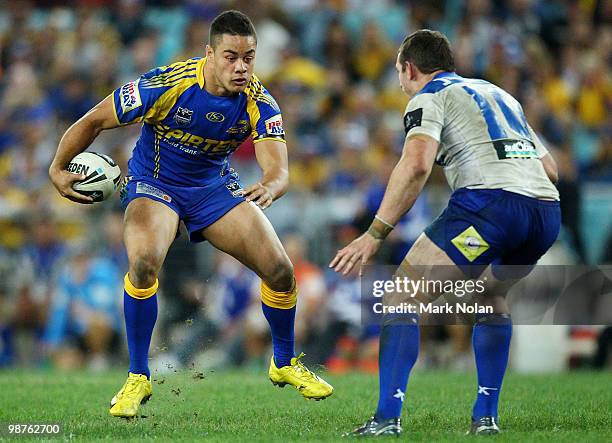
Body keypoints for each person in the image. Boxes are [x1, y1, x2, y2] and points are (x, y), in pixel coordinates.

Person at [49, 10, 332, 419]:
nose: (241, 66)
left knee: (281, 271)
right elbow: (94, 120)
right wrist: (58, 166)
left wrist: (270, 185)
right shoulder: (166, 84)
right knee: (144, 263)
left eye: (249, 57)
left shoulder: (259, 100)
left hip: (213, 188)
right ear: (210, 54)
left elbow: (279, 169)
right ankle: (137, 377)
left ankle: (284, 363)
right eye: (231, 56)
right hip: (155, 182)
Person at [331, 30, 560, 436]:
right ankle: (486, 418)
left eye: (399, 73)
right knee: (490, 297)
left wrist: (375, 233)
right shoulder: (498, 94)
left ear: (409, 68)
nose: (400, 83)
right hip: (544, 212)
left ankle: (386, 418)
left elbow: (416, 164)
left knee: (402, 296)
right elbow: (551, 170)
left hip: (491, 206)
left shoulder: (428, 96)